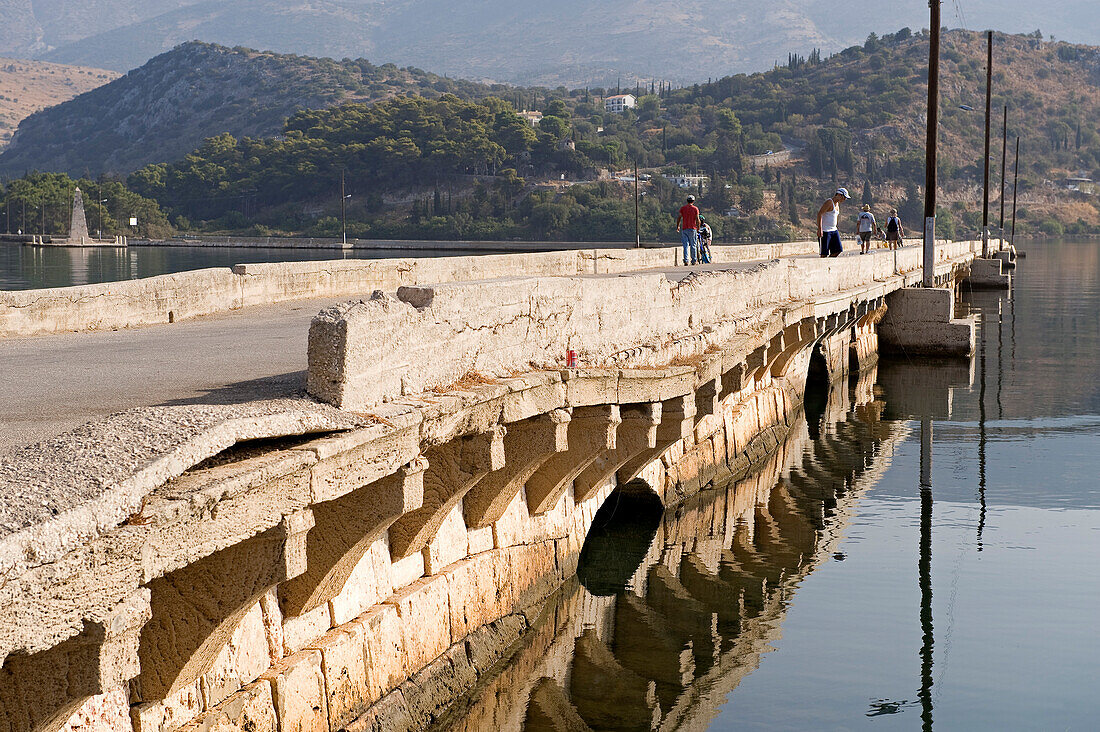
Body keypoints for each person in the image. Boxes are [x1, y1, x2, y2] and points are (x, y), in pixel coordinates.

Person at [816, 187, 850, 258]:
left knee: (838, 250)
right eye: (844, 198)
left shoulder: (837, 204)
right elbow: (820, 214)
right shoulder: (829, 202)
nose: (844, 200)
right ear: (839, 195)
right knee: (824, 252)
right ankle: (824, 265)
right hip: (825, 230)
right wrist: (820, 229)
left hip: (834, 230)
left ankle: (829, 262)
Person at [676, 194, 702, 266]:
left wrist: (678, 226)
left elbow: (679, 217)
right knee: (693, 245)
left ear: (687, 201)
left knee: (685, 245)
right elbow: (697, 219)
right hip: (692, 228)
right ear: (693, 201)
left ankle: (686, 260)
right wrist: (698, 228)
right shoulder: (695, 209)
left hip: (685, 228)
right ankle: (694, 260)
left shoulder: (683, 208)